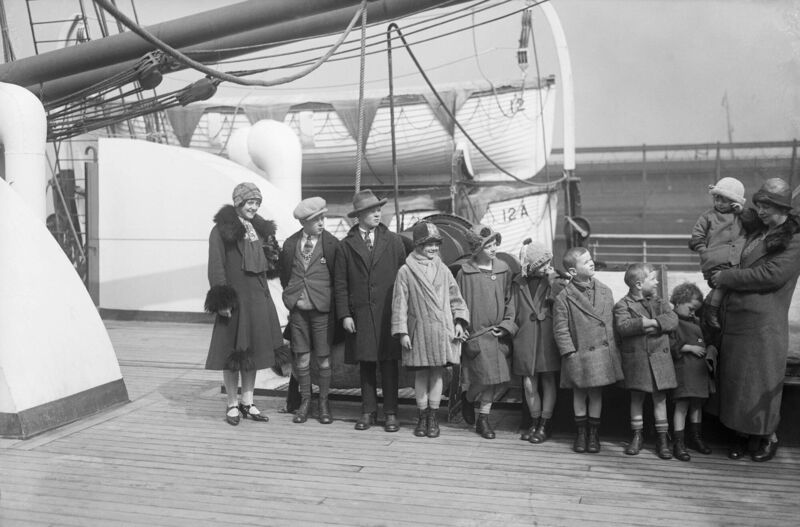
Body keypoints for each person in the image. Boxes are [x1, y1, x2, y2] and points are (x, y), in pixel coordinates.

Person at [710, 177, 800, 462]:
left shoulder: (794, 240)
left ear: (782, 209)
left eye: (767, 207)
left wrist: (726, 277)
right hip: (738, 321)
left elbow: (770, 275)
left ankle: (767, 436)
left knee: (760, 383)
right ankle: (738, 435)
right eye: (759, 205)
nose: (760, 211)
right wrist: (738, 209)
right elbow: (744, 219)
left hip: (764, 325)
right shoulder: (759, 231)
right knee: (737, 383)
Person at [204, 182, 283, 426]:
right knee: (233, 354)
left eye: (257, 203)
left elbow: (268, 266)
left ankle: (248, 402)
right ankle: (232, 403)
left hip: (258, 299)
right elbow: (216, 265)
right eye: (250, 202)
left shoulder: (259, 230)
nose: (254, 207)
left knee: (253, 353)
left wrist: (273, 254)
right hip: (236, 300)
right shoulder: (220, 231)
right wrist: (222, 300)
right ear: (238, 203)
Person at [334, 189, 406, 432]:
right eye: (372, 210)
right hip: (361, 314)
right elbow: (341, 284)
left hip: (388, 313)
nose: (378, 213)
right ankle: (367, 411)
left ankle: (391, 413)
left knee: (388, 364)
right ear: (359, 215)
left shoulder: (394, 241)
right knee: (365, 364)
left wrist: (401, 314)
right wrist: (344, 314)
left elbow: (402, 280)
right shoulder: (346, 246)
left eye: (378, 209)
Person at [391, 221, 469, 438]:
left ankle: (433, 417)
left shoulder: (443, 269)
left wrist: (460, 321)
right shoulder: (405, 271)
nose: (434, 248)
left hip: (441, 330)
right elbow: (400, 304)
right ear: (418, 245)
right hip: (419, 331)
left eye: (436, 244)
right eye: (429, 244)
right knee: (421, 375)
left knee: (437, 373)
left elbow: (456, 298)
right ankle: (422, 415)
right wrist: (403, 332)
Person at [553, 246, 623, 454]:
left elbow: (611, 323)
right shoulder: (563, 297)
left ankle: (594, 434)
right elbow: (561, 329)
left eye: (591, 259)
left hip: (601, 355)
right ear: (573, 271)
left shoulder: (605, 291)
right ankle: (581, 433)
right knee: (579, 394)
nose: (592, 263)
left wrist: (613, 350)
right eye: (586, 262)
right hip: (579, 356)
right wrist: (570, 353)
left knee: (596, 394)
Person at [279, 197, 339, 424]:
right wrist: (293, 298)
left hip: (322, 310)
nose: (322, 223)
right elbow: (286, 274)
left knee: (323, 359)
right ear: (304, 222)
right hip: (298, 311)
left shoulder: (332, 244)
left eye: (323, 218)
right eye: (316, 220)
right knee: (301, 358)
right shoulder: (290, 244)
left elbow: (337, 278)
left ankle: (323, 402)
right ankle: (305, 401)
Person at [456, 225, 517, 439]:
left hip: (497, 333)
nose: (493, 249)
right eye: (487, 245)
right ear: (476, 249)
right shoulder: (465, 272)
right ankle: (469, 397)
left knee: (496, 379)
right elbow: (457, 302)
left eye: (494, 244)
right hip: (476, 334)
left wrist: (508, 325)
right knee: (485, 378)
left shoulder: (503, 269)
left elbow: (510, 300)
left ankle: (483, 419)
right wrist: (460, 325)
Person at [614, 263, 678, 459]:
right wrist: (646, 324)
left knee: (660, 398)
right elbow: (623, 327)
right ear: (639, 284)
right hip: (637, 360)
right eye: (653, 278)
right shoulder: (623, 305)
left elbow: (673, 320)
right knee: (637, 397)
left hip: (660, 359)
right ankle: (637, 435)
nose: (657, 281)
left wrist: (654, 323)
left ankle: (662, 439)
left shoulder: (661, 302)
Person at [510, 240, 567, 444]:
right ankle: (534, 421)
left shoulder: (557, 280)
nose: (547, 267)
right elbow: (512, 309)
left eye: (548, 262)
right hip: (525, 337)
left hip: (547, 337)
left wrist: (553, 282)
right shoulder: (518, 282)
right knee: (528, 383)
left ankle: (545, 423)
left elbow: (563, 303)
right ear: (532, 265)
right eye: (542, 264)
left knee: (548, 379)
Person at [689, 177, 747, 329]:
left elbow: (755, 224)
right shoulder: (708, 216)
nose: (719, 203)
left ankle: (707, 307)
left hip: (735, 259)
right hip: (716, 260)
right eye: (717, 199)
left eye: (724, 200)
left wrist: (742, 212)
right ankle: (712, 311)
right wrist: (704, 252)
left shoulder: (741, 216)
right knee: (722, 284)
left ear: (735, 202)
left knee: (727, 285)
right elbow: (697, 236)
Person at [668, 282, 715, 462]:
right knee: (682, 405)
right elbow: (669, 343)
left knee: (697, 404)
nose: (693, 313)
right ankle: (678, 442)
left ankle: (695, 437)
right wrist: (688, 347)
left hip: (698, 371)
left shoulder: (695, 321)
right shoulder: (672, 320)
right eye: (690, 308)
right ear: (679, 301)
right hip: (684, 369)